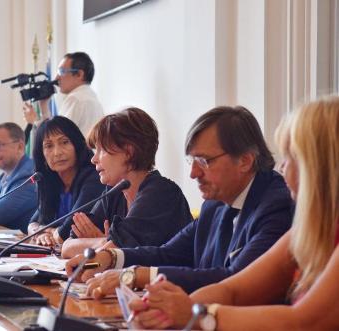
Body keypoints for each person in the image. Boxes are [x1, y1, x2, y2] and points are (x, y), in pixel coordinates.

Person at [127, 97, 339, 330]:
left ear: (324, 166)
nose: (282, 167)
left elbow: (304, 322)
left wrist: (198, 315)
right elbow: (233, 290)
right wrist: (165, 309)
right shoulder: (308, 229)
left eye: (292, 156)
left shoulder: (275, 202)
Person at [66, 105, 294, 296]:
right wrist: (110, 256)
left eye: (204, 161)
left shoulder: (275, 206)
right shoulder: (215, 203)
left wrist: (133, 275)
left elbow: (233, 280)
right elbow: (169, 253)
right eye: (192, 161)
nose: (193, 173)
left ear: (245, 161)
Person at [60, 107, 192, 258]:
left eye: (101, 150)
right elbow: (67, 246)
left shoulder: (161, 193)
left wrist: (104, 243)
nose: (93, 159)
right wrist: (104, 241)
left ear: (129, 152)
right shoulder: (114, 194)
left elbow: (115, 252)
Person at [28, 116, 105, 246]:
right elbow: (33, 222)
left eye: (64, 142)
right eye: (49, 146)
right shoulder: (52, 183)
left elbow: (69, 228)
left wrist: (50, 231)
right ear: (41, 155)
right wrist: (40, 232)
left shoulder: (94, 177)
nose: (57, 152)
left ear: (77, 144)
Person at [23, 51, 104, 137]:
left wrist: (33, 120)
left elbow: (54, 138)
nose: (56, 78)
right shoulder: (90, 97)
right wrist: (44, 105)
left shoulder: (76, 99)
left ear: (79, 74)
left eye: (61, 71)